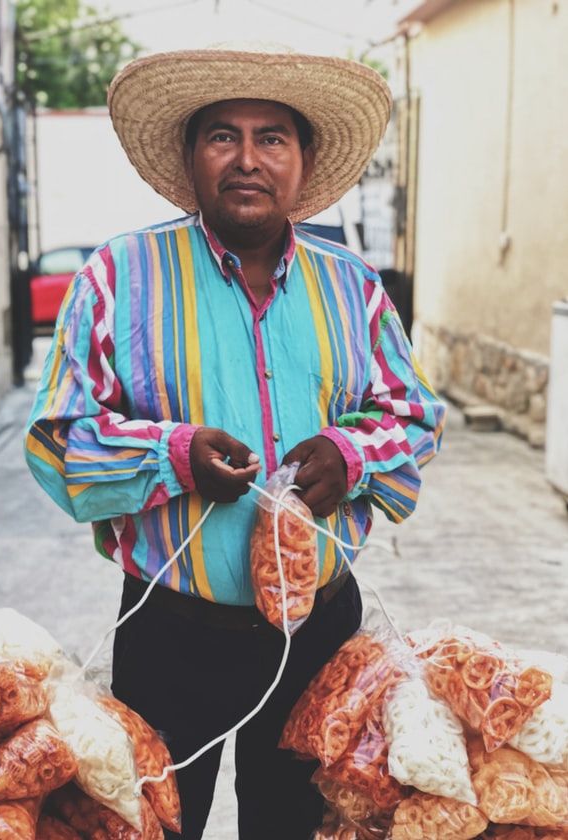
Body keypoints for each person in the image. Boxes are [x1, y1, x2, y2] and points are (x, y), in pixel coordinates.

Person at [25, 47, 446, 840]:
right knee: (150, 826)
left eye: (272, 138)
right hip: (170, 635)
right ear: (190, 156)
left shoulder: (352, 286)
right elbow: (60, 438)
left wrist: (352, 455)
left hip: (319, 636)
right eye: (223, 135)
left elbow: (416, 414)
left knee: (298, 828)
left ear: (303, 160)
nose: (248, 159)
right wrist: (173, 456)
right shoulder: (119, 276)